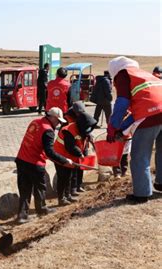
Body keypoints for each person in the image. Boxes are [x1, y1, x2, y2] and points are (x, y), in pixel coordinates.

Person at [107, 56, 162, 203]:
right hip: (158, 112)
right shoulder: (142, 74)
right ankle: (160, 183)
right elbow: (136, 113)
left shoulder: (123, 75)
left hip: (150, 113)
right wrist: (122, 128)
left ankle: (142, 194)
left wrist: (113, 126)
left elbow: (122, 103)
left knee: (139, 156)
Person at [15, 107, 74, 223]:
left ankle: (21, 216)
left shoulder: (35, 122)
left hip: (21, 160)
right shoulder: (48, 131)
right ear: (51, 117)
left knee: (24, 189)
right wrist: (64, 160)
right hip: (35, 163)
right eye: (57, 120)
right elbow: (50, 152)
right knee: (40, 187)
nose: (57, 124)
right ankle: (41, 209)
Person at [54, 112, 97, 206]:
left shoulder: (82, 129)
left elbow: (83, 141)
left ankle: (68, 195)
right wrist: (80, 154)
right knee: (63, 177)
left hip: (70, 157)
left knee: (69, 176)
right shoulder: (68, 130)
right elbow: (71, 147)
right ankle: (61, 198)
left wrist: (89, 141)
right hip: (60, 156)